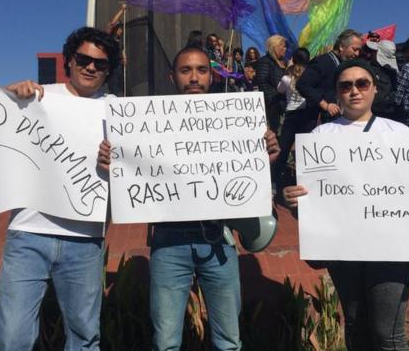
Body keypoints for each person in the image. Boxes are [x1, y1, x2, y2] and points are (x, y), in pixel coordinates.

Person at [282, 58, 409, 351]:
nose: (354, 91)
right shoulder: (320, 137)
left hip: (392, 249)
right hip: (344, 249)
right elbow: (312, 201)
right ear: (336, 92)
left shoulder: (399, 134)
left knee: (387, 333)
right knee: (355, 324)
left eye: (362, 83)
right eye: (345, 85)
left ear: (374, 89)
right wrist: (295, 201)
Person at [98, 46, 280, 351]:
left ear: (211, 75)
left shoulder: (235, 121)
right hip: (168, 241)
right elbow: (133, 168)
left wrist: (267, 158)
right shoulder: (147, 122)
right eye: (185, 70)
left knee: (229, 342)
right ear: (173, 76)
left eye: (201, 70)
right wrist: (113, 162)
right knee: (166, 342)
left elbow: (247, 178)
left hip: (218, 239)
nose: (194, 77)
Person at [0, 27, 119, 351]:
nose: (91, 67)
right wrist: (3, 97)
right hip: (28, 235)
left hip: (85, 240)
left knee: (84, 337)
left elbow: (141, 166)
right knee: (13, 337)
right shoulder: (37, 96)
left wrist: (117, 161)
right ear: (70, 60)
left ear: (109, 71)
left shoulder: (118, 110)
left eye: (100, 64)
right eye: (84, 59)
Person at [272, 47, 317, 199]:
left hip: (291, 115)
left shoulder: (286, 78)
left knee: (283, 149)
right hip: (307, 115)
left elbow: (279, 90)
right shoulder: (311, 77)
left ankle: (276, 184)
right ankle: (305, 184)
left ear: (294, 59)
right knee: (304, 151)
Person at [296, 29, 362, 127]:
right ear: (341, 47)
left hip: (336, 120)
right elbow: (302, 84)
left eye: (359, 50)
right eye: (354, 49)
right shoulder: (322, 62)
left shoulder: (342, 65)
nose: (357, 54)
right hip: (317, 121)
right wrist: (325, 104)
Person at [253, 35, 287, 132]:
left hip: (284, 105)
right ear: (275, 47)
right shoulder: (265, 62)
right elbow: (263, 84)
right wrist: (275, 103)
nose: (285, 49)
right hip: (273, 107)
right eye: (283, 46)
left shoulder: (284, 62)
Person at [360, 37, 399, 120]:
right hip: (391, 115)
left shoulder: (371, 69)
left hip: (375, 115)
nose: (371, 53)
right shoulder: (396, 71)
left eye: (374, 51)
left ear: (378, 53)